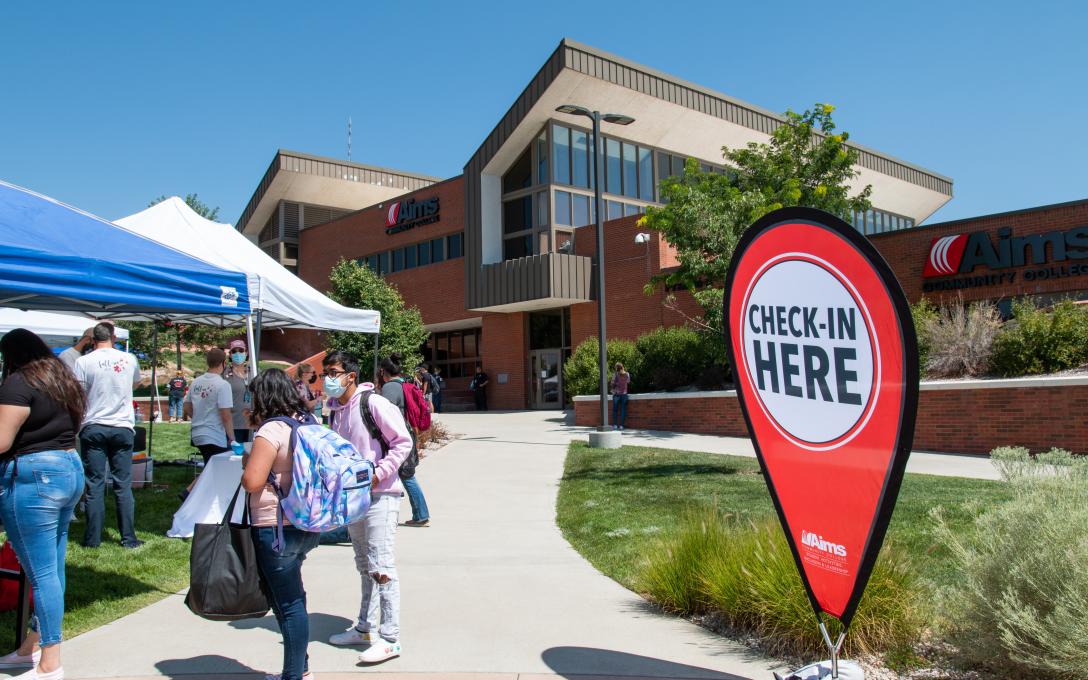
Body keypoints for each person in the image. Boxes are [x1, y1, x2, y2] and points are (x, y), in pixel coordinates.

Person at [0, 329, 86, 679]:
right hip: (68, 469)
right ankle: (30, 648)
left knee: (43, 573)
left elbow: (2, 441)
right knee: (52, 567)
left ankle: (50, 660)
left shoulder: (17, 384)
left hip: (34, 477)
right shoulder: (62, 379)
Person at [323, 350, 413, 664]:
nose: (327, 379)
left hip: (381, 496)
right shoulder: (336, 410)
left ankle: (390, 637)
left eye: (333, 372)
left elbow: (403, 441)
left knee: (382, 564)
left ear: (351, 375)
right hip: (353, 499)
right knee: (364, 564)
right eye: (326, 372)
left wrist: (379, 473)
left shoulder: (373, 403)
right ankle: (364, 627)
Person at [241, 368, 322, 680]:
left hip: (274, 527)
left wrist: (248, 462)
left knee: (289, 605)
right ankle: (298, 669)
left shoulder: (271, 431)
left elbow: (252, 481)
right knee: (293, 598)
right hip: (306, 523)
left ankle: (294, 675)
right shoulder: (309, 423)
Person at [74, 322, 144, 549]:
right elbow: (136, 382)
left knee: (94, 484)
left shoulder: (83, 361)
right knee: (122, 485)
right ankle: (128, 538)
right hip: (122, 426)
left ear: (93, 339)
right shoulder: (129, 358)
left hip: (94, 425)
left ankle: (92, 539)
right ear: (113, 337)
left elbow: (79, 393)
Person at [378, 354, 430, 528]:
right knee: (406, 474)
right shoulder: (403, 384)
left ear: (383, 371)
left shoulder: (390, 388)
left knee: (406, 476)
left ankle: (421, 515)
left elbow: (383, 416)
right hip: (407, 433)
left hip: (397, 436)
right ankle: (420, 514)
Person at [183, 348, 235, 463]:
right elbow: (226, 415)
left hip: (197, 433)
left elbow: (186, 406)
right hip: (214, 435)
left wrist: (198, 417)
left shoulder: (196, 382)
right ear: (223, 363)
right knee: (219, 469)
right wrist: (232, 438)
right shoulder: (223, 385)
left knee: (209, 468)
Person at [224, 339, 252, 445]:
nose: (238, 353)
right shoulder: (225, 373)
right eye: (234, 351)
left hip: (252, 424)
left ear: (246, 353)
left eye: (241, 350)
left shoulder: (253, 371)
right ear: (230, 355)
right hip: (233, 424)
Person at [610, 362, 632, 431]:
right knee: (623, 410)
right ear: (622, 367)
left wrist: (615, 384)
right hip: (624, 394)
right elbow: (628, 382)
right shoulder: (627, 374)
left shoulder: (615, 374)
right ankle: (621, 426)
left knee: (615, 410)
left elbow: (612, 383)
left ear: (616, 368)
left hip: (616, 394)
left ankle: (615, 425)